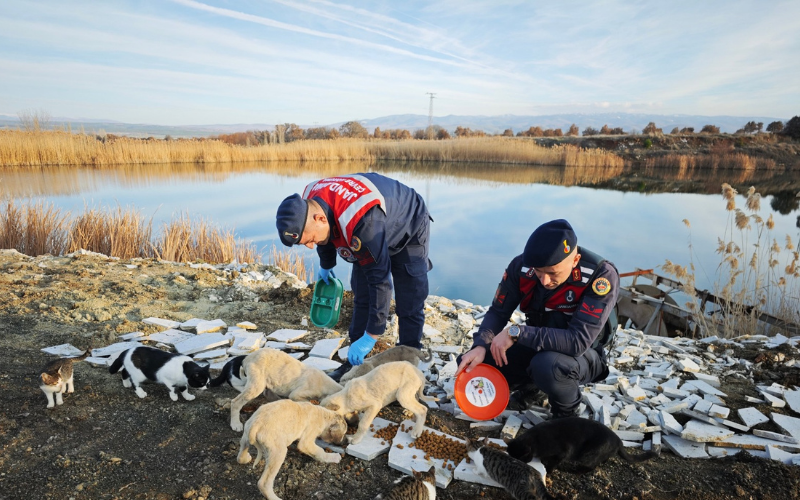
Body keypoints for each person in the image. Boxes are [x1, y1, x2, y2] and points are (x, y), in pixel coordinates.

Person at [275, 173, 432, 381]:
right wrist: (326, 264)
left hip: (407, 223)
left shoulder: (360, 222)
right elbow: (325, 237)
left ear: (319, 218)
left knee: (409, 299)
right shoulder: (309, 200)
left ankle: (407, 368)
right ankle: (352, 366)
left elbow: (381, 281)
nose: (311, 245)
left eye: (310, 240)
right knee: (362, 295)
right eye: (306, 243)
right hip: (369, 225)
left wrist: (372, 335)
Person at [455, 219, 619, 418]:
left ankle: (566, 418)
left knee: (548, 365)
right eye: (539, 272)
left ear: (574, 260)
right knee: (473, 364)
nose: (544, 281)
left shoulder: (600, 276)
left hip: (583, 355)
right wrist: (480, 345)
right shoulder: (521, 267)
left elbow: (578, 342)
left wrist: (516, 333)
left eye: (552, 273)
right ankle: (533, 388)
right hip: (538, 343)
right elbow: (498, 312)